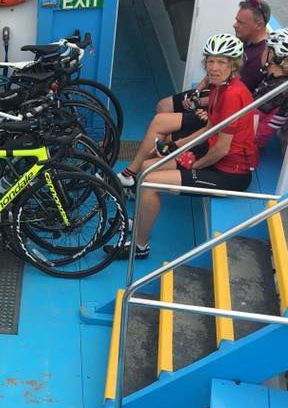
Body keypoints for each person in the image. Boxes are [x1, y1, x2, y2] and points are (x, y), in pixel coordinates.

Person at [107, 33, 257, 259]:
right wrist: (175, 145)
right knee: (147, 166)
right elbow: (209, 129)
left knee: (148, 181)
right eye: (210, 61)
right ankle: (139, 222)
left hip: (230, 172)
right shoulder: (219, 87)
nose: (214, 67)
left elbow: (221, 149)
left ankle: (139, 246)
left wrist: (193, 166)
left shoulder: (233, 95)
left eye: (222, 62)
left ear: (233, 65)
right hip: (212, 155)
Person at [156, 0, 270, 116]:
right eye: (237, 20)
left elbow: (233, 95)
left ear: (259, 25)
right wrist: (196, 91)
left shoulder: (260, 57)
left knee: (165, 112)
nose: (235, 25)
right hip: (212, 90)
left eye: (240, 23)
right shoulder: (243, 39)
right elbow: (212, 73)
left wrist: (197, 102)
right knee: (163, 106)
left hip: (222, 106)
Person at [253, 28, 288, 148]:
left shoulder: (277, 91)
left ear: (272, 55)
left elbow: (250, 122)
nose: (262, 53)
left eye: (265, 49)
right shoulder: (276, 81)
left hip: (245, 146)